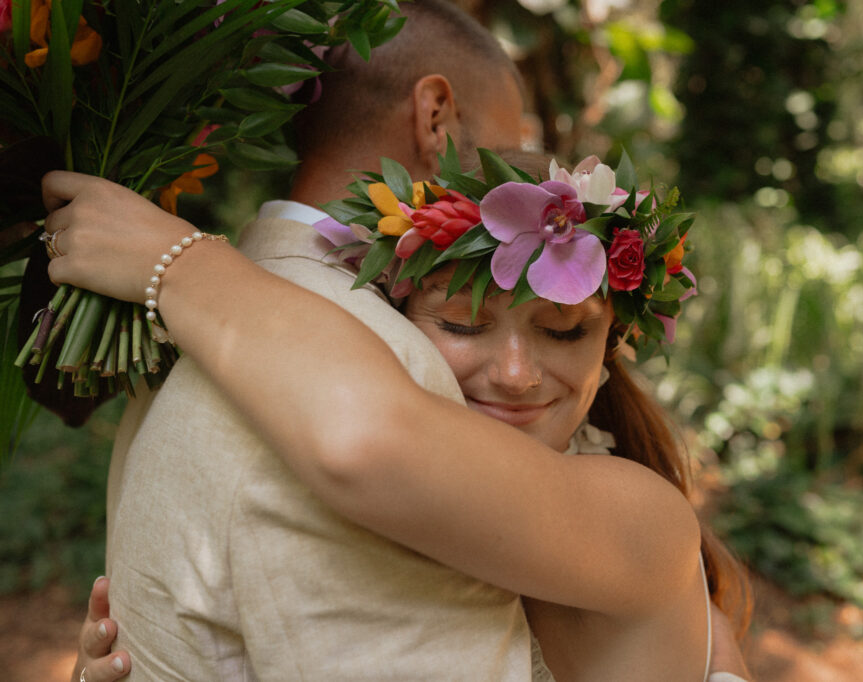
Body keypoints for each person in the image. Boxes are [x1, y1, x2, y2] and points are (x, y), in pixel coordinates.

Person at [45, 150, 755, 681]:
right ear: (393, 326)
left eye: (563, 331)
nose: (514, 373)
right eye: (463, 324)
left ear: (609, 353)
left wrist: (171, 262)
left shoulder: (641, 516)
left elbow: (367, 437)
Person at [57, 1, 536, 680]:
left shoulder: (173, 322)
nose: (528, 193)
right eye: (511, 155)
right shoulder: (386, 365)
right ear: (437, 118)